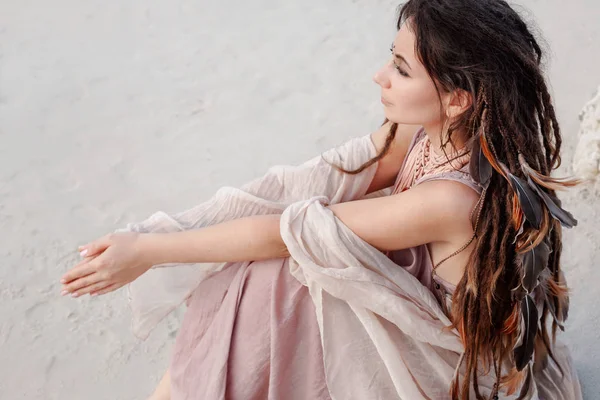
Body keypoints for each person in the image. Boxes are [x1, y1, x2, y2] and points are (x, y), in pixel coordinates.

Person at [59, 0, 583, 399]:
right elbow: (314, 183)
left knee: (274, 278)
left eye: (401, 69)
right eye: (390, 58)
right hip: (424, 309)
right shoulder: (431, 133)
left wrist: (148, 252)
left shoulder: (450, 200)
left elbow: (288, 230)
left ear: (457, 98)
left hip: (448, 367)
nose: (380, 76)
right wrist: (159, 232)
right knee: (273, 269)